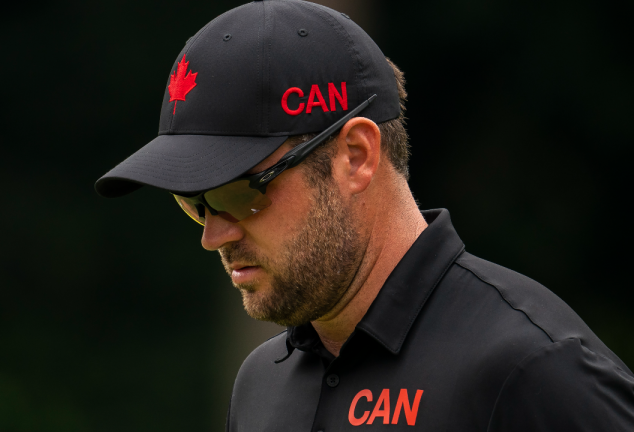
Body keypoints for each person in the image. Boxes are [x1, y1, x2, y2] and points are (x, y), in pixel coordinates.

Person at [95, 1, 634, 430]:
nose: (214, 235)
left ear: (355, 156)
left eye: (239, 193)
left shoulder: (531, 372)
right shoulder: (260, 384)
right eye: (194, 203)